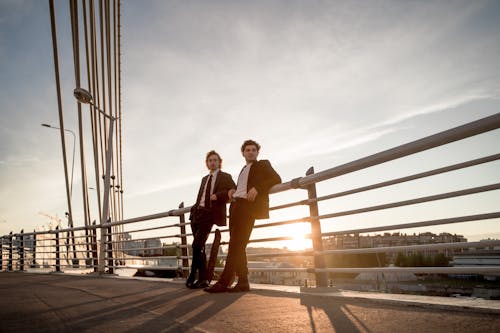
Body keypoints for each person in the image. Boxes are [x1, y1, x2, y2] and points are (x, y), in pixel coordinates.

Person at [205, 139, 281, 293]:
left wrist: (258, 188)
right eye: (248, 150)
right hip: (235, 206)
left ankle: (224, 282)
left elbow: (276, 179)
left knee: (235, 246)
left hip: (248, 208)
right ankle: (243, 281)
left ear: (257, 152)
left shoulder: (263, 164)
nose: (251, 152)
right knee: (238, 246)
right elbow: (240, 187)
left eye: (254, 150)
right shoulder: (242, 169)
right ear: (243, 153)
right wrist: (232, 191)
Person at [186, 150, 235, 289]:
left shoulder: (225, 176)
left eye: (215, 160)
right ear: (207, 163)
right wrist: (194, 209)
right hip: (196, 213)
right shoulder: (204, 179)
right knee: (198, 247)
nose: (212, 162)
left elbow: (233, 190)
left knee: (196, 245)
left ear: (219, 162)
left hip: (209, 214)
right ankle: (203, 279)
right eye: (210, 160)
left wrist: (219, 195)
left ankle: (191, 276)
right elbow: (200, 197)